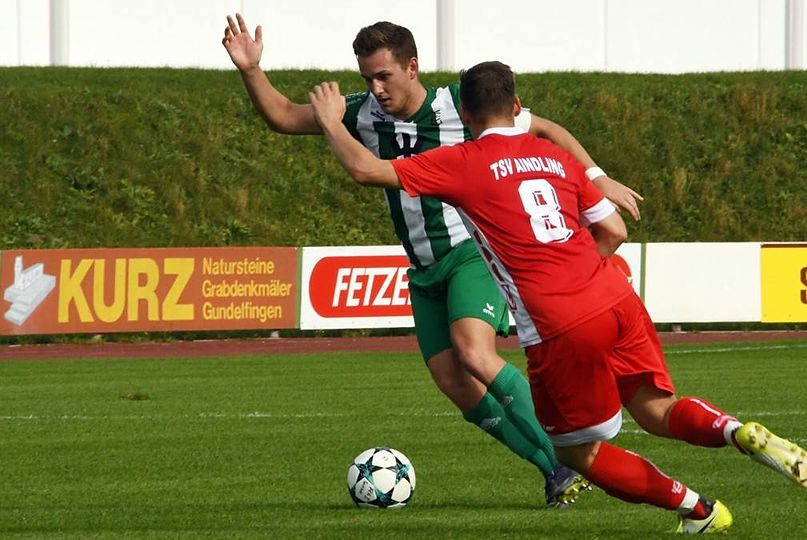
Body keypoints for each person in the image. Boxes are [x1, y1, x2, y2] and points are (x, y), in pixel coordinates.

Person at [307, 61, 807, 534]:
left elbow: (367, 170)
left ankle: (700, 511)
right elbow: (615, 230)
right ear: (516, 105)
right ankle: (734, 431)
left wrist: (332, 122)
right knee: (657, 410)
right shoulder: (553, 156)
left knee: (578, 454)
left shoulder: (461, 160)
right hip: (614, 296)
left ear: (465, 115)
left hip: (558, 322)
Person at [221, 15, 643, 507]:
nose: (376, 89)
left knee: (474, 353)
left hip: (472, 253)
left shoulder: (457, 106)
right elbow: (283, 116)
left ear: (412, 67)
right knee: (454, 382)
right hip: (424, 269)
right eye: (367, 78)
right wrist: (251, 69)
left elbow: (545, 128)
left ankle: (579, 451)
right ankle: (555, 469)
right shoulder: (360, 114)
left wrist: (597, 178)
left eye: (384, 76)